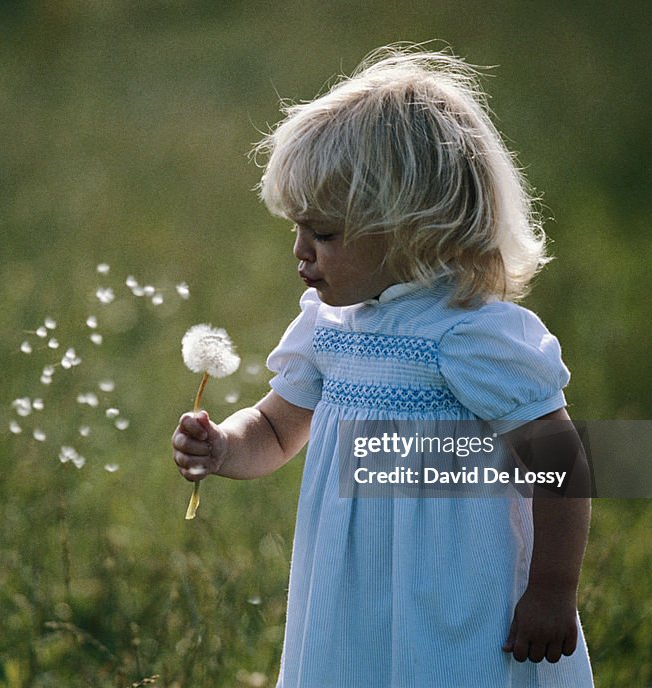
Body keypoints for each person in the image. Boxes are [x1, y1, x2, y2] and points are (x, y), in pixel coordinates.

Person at [171, 44, 594, 687]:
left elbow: (559, 461)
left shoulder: (472, 335)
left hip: (459, 595)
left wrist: (552, 592)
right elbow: (279, 429)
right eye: (298, 229)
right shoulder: (327, 328)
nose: (300, 251)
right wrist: (225, 446)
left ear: (411, 227)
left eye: (325, 233)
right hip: (349, 595)